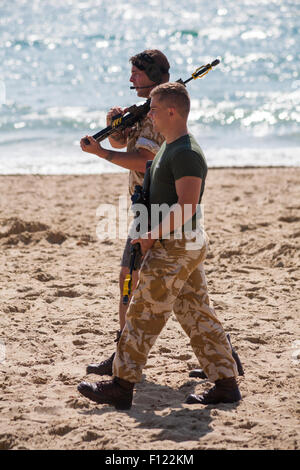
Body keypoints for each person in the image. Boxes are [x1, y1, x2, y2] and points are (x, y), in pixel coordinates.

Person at [77, 82, 242, 409]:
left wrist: (152, 235)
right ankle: (226, 383)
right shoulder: (169, 145)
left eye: (153, 109)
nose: (148, 113)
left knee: (142, 313)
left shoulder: (186, 153)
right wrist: (108, 145)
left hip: (176, 244)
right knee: (196, 312)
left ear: (171, 112)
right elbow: (148, 172)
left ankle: (121, 386)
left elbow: (187, 205)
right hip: (180, 242)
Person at [81, 49, 170, 374]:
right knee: (184, 290)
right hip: (149, 205)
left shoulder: (158, 113)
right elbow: (127, 145)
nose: (131, 79)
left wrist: (101, 153)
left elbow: (144, 160)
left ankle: (124, 354)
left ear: (154, 76)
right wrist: (114, 126)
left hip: (155, 207)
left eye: (137, 74)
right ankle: (224, 355)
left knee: (128, 277)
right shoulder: (148, 109)